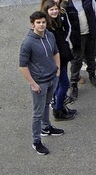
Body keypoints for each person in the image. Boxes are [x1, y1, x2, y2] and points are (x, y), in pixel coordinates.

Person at [20, 11, 64, 155]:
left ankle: (47, 128)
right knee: (37, 113)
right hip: (39, 82)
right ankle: (36, 141)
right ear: (32, 24)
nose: (41, 25)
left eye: (43, 22)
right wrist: (33, 83)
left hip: (52, 77)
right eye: (38, 22)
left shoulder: (49, 35)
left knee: (47, 104)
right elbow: (23, 66)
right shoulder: (27, 43)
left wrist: (57, 70)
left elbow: (56, 52)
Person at [64, 0, 96, 99]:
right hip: (77, 38)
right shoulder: (66, 4)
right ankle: (74, 85)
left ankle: (92, 75)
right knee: (76, 61)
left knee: (91, 57)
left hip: (90, 34)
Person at [41, 0, 77, 121]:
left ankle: (61, 107)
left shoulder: (58, 19)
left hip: (63, 54)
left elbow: (67, 30)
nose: (55, 11)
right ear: (47, 11)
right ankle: (58, 109)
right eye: (51, 10)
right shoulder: (46, 27)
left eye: (56, 9)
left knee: (59, 84)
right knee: (64, 83)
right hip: (56, 58)